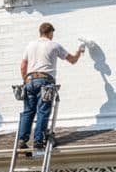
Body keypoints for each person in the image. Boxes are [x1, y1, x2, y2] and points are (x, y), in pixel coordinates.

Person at [17, 22, 84, 152]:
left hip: (30, 81)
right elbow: (72, 60)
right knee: (43, 111)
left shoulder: (30, 45)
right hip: (45, 81)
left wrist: (25, 81)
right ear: (50, 32)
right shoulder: (54, 45)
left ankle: (22, 140)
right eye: (52, 33)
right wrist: (80, 51)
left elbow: (23, 65)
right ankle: (38, 140)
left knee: (28, 111)